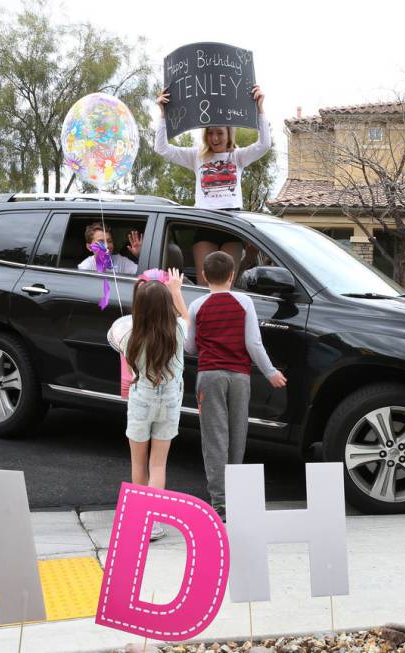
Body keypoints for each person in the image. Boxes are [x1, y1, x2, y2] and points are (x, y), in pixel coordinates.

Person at [184, 251, 286, 520]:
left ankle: (220, 502)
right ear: (232, 275)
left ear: (204, 276)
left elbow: (190, 346)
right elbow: (254, 343)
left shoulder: (197, 306)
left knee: (214, 438)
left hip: (209, 376)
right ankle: (237, 495)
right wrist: (271, 372)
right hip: (240, 377)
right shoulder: (244, 302)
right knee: (237, 434)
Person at [155, 85, 271, 284]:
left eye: (219, 133)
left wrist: (260, 108)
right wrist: (163, 114)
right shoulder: (196, 156)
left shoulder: (238, 156)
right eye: (210, 133)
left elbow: (264, 145)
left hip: (231, 224)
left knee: (226, 283)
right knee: (205, 284)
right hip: (205, 222)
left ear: (229, 134)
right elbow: (162, 148)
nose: (215, 138)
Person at [107, 269, 188, 541]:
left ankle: (139, 520)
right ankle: (154, 523)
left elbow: (113, 335)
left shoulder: (129, 335)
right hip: (170, 402)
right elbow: (187, 320)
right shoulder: (178, 330)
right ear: (168, 307)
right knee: (158, 465)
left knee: (138, 464)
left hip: (140, 400)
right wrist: (176, 290)